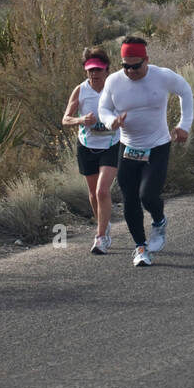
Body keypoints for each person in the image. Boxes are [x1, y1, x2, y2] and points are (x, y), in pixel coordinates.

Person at [97, 37, 192, 267]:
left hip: (158, 145)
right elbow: (103, 108)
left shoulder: (162, 76)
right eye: (125, 66)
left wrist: (184, 125)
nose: (130, 71)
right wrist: (111, 122)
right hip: (128, 147)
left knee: (147, 195)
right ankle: (140, 247)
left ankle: (158, 221)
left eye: (136, 65)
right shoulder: (114, 81)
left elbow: (185, 92)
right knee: (129, 199)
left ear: (146, 60)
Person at [61, 47, 121, 255]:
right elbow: (66, 119)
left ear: (106, 70)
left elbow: (129, 112)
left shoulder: (115, 88)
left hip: (111, 146)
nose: (94, 74)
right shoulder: (80, 90)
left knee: (102, 191)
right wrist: (81, 120)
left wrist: (116, 122)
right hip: (86, 146)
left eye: (98, 70)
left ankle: (101, 237)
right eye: (90, 70)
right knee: (93, 196)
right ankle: (103, 225)